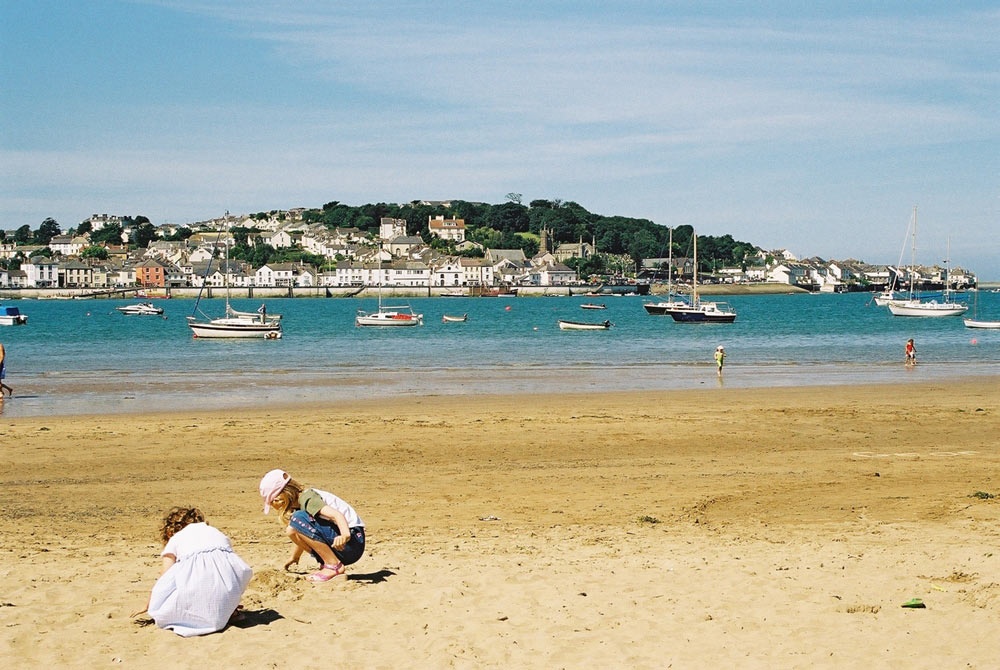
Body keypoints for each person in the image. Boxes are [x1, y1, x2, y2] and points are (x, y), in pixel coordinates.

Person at [139, 507, 253, 637]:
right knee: (222, 575)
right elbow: (227, 564)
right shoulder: (215, 532)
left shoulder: (176, 539)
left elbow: (164, 576)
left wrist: (150, 604)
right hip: (231, 583)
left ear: (170, 531)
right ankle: (229, 610)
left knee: (181, 591)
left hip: (196, 588)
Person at [259, 469, 366, 583]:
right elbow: (305, 532)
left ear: (281, 496)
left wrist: (345, 535)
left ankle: (333, 565)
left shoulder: (308, 498)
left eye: (272, 502)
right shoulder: (300, 504)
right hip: (344, 545)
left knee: (297, 518)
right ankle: (329, 562)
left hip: (352, 541)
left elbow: (336, 515)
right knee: (292, 529)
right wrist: (295, 557)